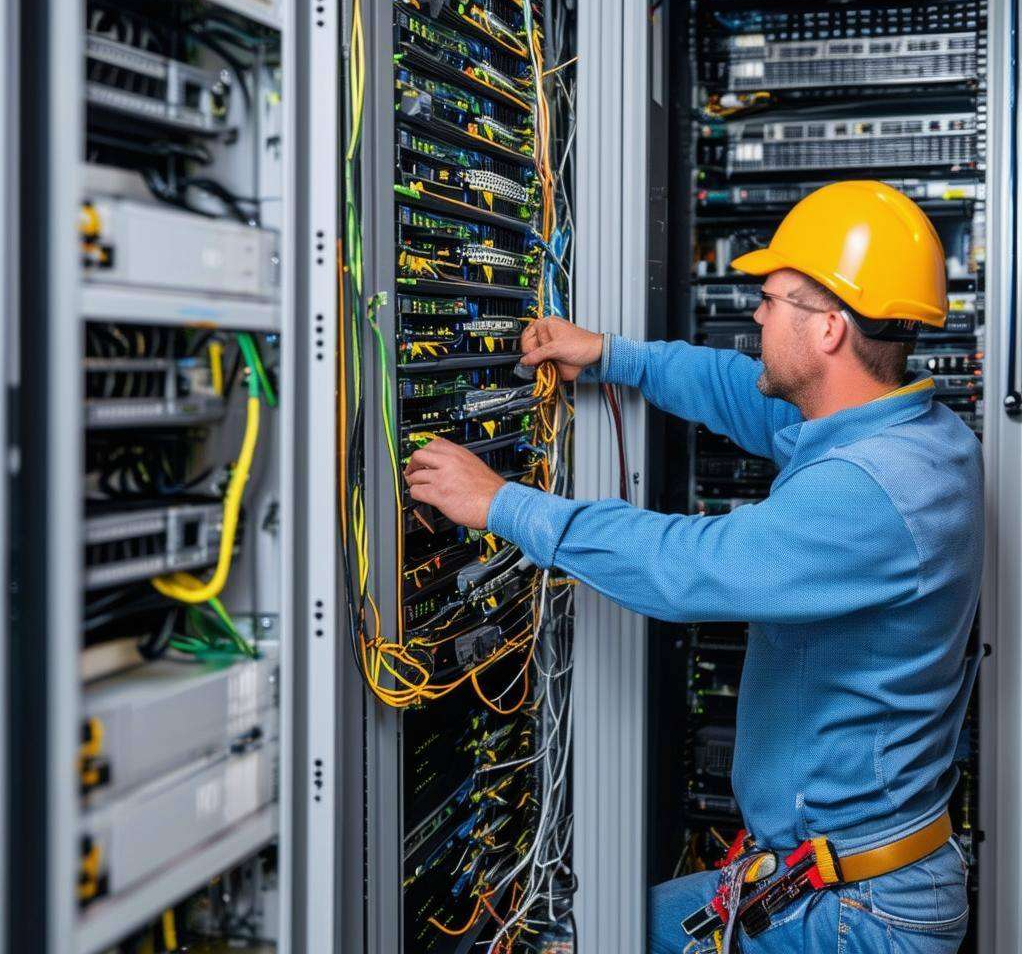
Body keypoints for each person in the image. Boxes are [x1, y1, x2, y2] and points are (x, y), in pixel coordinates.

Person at [403, 180, 983, 953]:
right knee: (593, 931)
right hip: (831, 879)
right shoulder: (910, 434)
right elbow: (739, 391)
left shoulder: (874, 490)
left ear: (831, 331)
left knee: (590, 938)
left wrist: (505, 505)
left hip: (855, 913)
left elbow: (687, 566)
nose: (757, 311)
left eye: (773, 298)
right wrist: (614, 356)